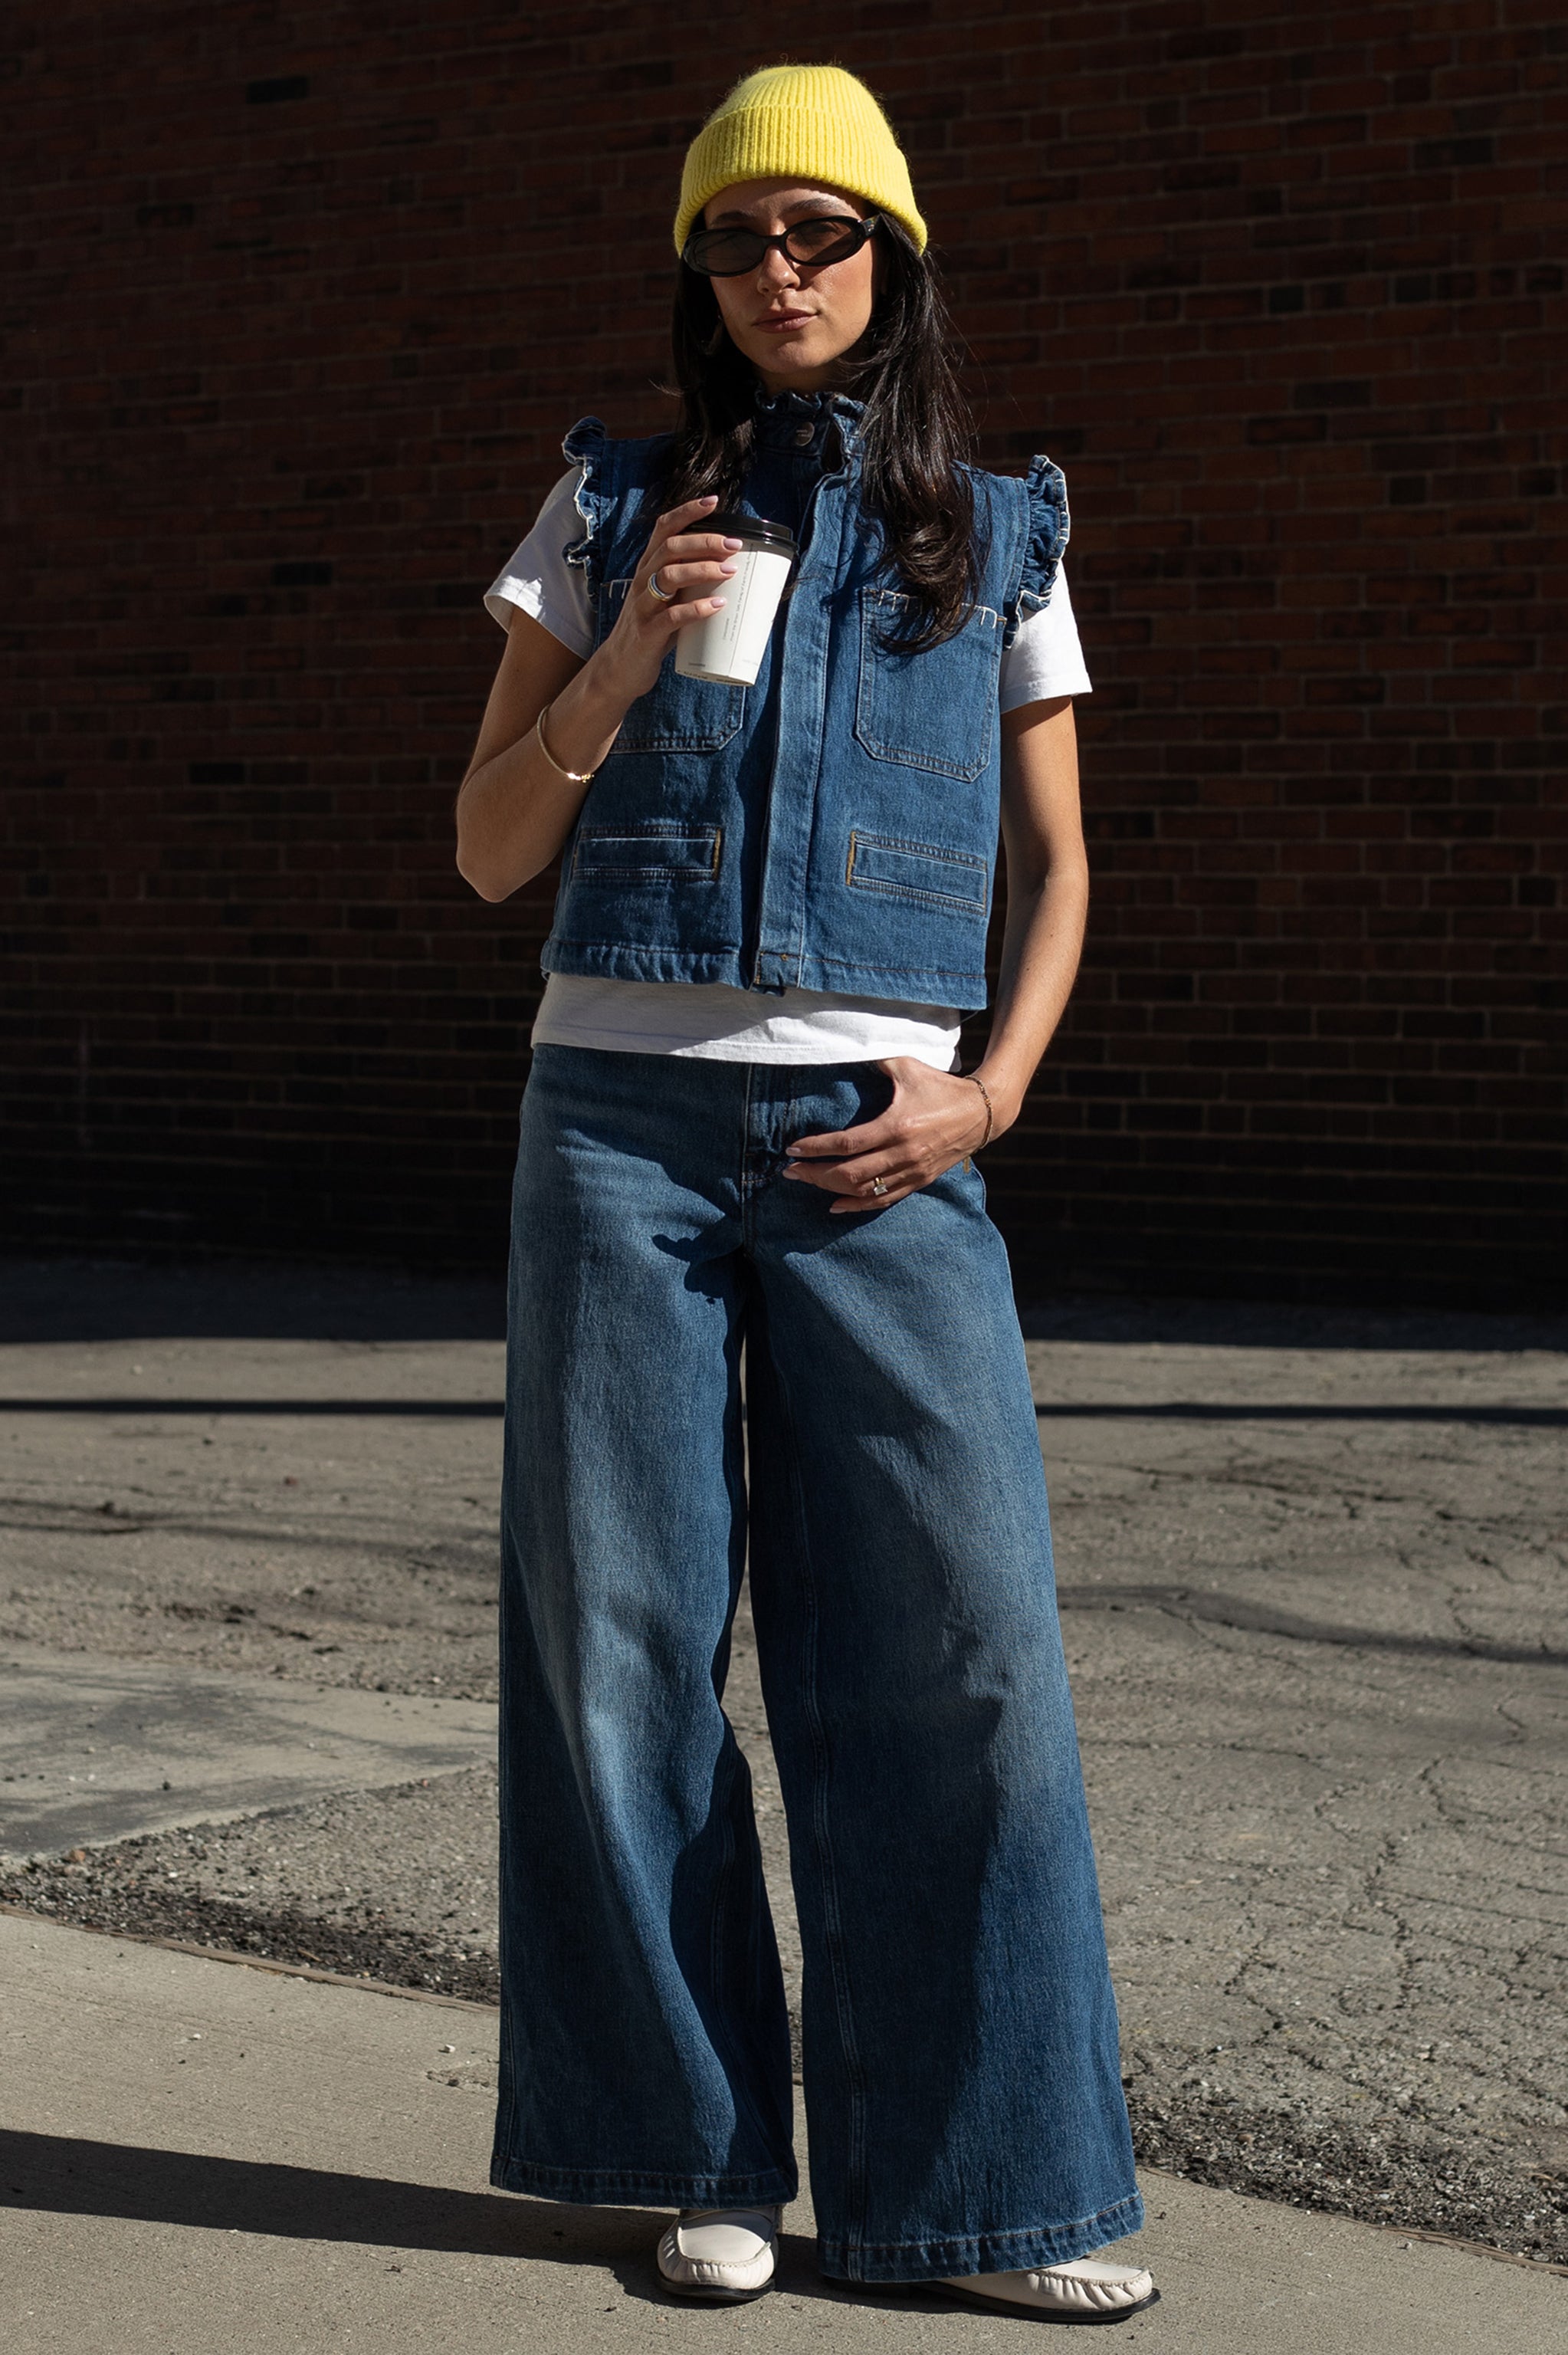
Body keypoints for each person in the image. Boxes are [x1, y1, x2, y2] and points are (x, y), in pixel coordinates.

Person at [455, 62, 1158, 2324]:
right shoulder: (609, 498)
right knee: (625, 1660)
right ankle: (688, 2158)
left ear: (895, 261)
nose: (785, 272)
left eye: (827, 234)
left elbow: (1063, 872)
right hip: (618, 1134)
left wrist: (993, 1099)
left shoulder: (1006, 528)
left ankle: (994, 2196)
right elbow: (485, 848)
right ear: (700, 271)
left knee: (963, 1659)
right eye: (745, 239)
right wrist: (634, 648)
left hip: (889, 1148)